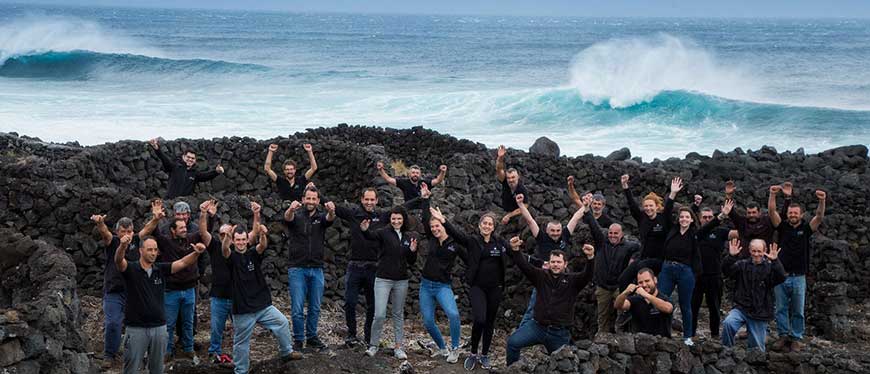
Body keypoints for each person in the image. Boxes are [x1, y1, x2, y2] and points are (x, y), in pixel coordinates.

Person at [218, 220, 303, 374]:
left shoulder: (252, 254)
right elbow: (224, 249)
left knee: (282, 322)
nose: (241, 243)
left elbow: (262, 246)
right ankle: (241, 370)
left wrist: (263, 234)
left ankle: (287, 352)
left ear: (247, 240)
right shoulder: (231, 258)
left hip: (262, 305)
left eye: (243, 239)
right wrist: (227, 237)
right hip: (243, 309)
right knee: (241, 342)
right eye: (237, 240)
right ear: (233, 241)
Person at [115, 232, 204, 374]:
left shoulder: (160, 269)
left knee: (157, 369)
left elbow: (182, 263)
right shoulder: (131, 269)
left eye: (155, 250)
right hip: (136, 329)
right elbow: (119, 261)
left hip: (159, 328)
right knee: (131, 369)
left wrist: (196, 253)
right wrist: (122, 246)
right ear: (140, 251)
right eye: (149, 249)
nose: (153, 253)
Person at [505, 237, 595, 367]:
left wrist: (591, 258)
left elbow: (587, 275)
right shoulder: (541, 276)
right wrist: (515, 250)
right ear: (549, 263)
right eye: (553, 262)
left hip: (558, 333)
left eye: (559, 262)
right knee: (513, 343)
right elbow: (524, 266)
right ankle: (511, 370)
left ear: (565, 264)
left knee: (565, 366)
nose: (555, 264)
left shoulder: (573, 281)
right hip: (537, 328)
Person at [437, 211, 509, 371]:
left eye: (490, 224)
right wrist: (444, 220)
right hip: (478, 287)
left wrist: (534, 259)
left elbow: (515, 253)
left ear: (493, 227)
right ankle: (473, 353)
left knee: (490, 322)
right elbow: (457, 234)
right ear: (479, 225)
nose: (487, 226)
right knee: (480, 319)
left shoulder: (499, 242)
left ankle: (484, 354)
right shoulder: (473, 241)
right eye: (484, 223)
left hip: (495, 288)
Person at [656, 194, 730, 346]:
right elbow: (667, 211)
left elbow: (710, 225)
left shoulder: (695, 234)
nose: (683, 219)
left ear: (691, 219)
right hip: (667, 269)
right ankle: (661, 332)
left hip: (686, 272)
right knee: (660, 300)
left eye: (687, 217)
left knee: (686, 305)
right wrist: (673, 194)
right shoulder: (672, 229)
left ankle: (688, 337)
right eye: (681, 216)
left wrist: (722, 215)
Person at [138, 199, 204, 359]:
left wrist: (206, 215)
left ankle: (188, 348)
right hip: (171, 290)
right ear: (173, 231)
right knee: (168, 324)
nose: (184, 229)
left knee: (188, 322)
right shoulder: (166, 243)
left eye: (185, 227)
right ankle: (167, 351)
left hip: (189, 289)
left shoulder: (192, 238)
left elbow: (204, 232)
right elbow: (155, 233)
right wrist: (156, 217)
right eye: (181, 228)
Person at [768, 187, 826, 352]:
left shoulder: (806, 229)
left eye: (796, 213)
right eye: (791, 213)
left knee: (798, 310)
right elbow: (772, 211)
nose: (792, 215)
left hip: (799, 276)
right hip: (781, 275)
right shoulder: (782, 227)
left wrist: (822, 200)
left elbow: (819, 216)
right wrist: (773, 194)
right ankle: (782, 335)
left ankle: (796, 338)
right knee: (780, 308)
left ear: (801, 215)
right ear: (788, 214)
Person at [516, 193, 587, 327]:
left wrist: (586, 206)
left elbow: (576, 217)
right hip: (544, 278)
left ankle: (559, 333)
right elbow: (530, 220)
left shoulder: (565, 235)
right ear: (547, 231)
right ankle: (523, 330)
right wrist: (520, 204)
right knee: (533, 305)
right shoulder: (541, 238)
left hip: (562, 279)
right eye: (552, 231)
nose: (555, 233)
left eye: (558, 230)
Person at [333, 187, 391, 347]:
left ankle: (368, 336)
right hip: (355, 266)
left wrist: (422, 199)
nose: (369, 202)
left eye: (372, 200)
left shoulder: (382, 217)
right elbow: (334, 207)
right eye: (367, 199)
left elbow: (402, 209)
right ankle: (351, 334)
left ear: (377, 200)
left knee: (373, 305)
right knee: (350, 302)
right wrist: (314, 190)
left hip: (374, 267)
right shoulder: (354, 215)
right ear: (361, 199)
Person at [418, 186, 468, 364]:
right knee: (428, 321)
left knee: (453, 315)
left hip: (442, 286)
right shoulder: (431, 238)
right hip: (425, 285)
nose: (434, 229)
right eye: (432, 227)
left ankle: (455, 349)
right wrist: (425, 199)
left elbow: (470, 258)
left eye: (437, 226)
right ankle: (441, 347)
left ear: (442, 224)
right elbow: (425, 218)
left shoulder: (455, 243)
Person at [360, 206, 418, 360]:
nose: (396, 221)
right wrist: (365, 230)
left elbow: (412, 261)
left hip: (401, 280)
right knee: (379, 315)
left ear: (403, 219)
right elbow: (371, 236)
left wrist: (412, 251)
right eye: (393, 218)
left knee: (398, 314)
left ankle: (399, 347)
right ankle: (373, 345)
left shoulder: (409, 236)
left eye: (399, 219)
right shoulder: (384, 233)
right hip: (383, 279)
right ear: (390, 219)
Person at [197, 199, 250, 365]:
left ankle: (240, 355)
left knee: (241, 330)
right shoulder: (214, 247)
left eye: (228, 235)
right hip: (219, 296)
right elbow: (203, 232)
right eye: (222, 234)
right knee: (216, 330)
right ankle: (214, 354)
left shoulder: (239, 249)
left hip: (237, 297)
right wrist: (203, 213)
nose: (224, 237)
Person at [283, 186, 336, 351]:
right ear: (303, 199)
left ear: (318, 201)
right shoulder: (296, 216)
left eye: (314, 199)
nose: (311, 201)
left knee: (315, 307)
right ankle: (298, 340)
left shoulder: (321, 219)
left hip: (317, 269)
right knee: (297, 307)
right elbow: (287, 218)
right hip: (297, 268)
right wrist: (290, 209)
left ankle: (312, 336)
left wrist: (332, 210)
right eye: (308, 198)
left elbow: (330, 218)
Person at [581, 208, 640, 335]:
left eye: (616, 233)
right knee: (602, 315)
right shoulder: (602, 242)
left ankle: (621, 336)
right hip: (602, 286)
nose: (613, 236)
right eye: (611, 233)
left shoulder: (630, 246)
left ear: (621, 234)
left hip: (619, 287)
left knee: (623, 313)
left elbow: (642, 249)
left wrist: (633, 260)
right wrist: (586, 210)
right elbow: (594, 226)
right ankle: (602, 337)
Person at [92, 214, 140, 369]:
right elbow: (105, 233)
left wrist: (156, 219)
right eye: (123, 232)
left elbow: (148, 229)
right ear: (117, 232)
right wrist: (100, 223)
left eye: (129, 231)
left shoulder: (138, 241)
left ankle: (137, 354)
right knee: (113, 322)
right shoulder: (112, 242)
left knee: (136, 324)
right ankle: (109, 355)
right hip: (114, 290)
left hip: (133, 290)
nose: (127, 235)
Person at [721, 239, 786, 352]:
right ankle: (727, 351)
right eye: (754, 251)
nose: (756, 254)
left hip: (760, 312)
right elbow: (726, 272)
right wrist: (731, 257)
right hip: (741, 308)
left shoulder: (770, 268)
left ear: (765, 251)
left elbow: (781, 277)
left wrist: (775, 261)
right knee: (728, 323)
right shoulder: (742, 265)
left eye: (759, 251)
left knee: (757, 350)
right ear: (750, 251)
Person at [616, 175, 677, 290]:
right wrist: (625, 186)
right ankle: (627, 304)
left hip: (660, 259)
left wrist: (673, 193)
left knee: (641, 267)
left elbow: (669, 207)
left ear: (657, 207)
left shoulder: (663, 218)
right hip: (643, 257)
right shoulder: (642, 218)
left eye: (651, 206)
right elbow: (632, 204)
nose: (648, 208)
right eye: (646, 206)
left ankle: (645, 295)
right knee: (623, 279)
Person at [690, 196, 732, 339]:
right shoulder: (695, 233)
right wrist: (695, 205)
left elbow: (739, 233)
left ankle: (714, 335)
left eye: (710, 217)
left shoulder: (720, 231)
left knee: (714, 307)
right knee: (693, 307)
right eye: (705, 217)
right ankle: (691, 335)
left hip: (715, 275)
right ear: (700, 219)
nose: (707, 219)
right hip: (696, 276)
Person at [726, 180, 791, 255]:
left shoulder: (767, 221)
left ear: (759, 213)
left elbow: (782, 217)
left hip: (764, 259)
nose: (751, 215)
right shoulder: (742, 222)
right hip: (746, 261)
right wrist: (729, 196)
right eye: (749, 213)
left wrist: (787, 198)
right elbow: (730, 211)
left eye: (754, 212)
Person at [148, 138, 224, 199]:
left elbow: (206, 176)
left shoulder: (195, 173)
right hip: (170, 201)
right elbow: (165, 159)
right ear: (183, 157)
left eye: (192, 158)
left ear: (195, 160)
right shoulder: (175, 167)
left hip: (185, 202)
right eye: (188, 157)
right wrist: (156, 148)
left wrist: (216, 172)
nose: (190, 159)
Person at [614, 268, 674, 338]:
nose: (644, 285)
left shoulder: (664, 298)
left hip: (661, 343)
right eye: (640, 282)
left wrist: (645, 295)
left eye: (647, 281)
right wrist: (625, 292)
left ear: (655, 280)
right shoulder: (635, 300)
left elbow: (668, 308)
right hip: (640, 343)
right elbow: (618, 305)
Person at [376, 161, 447, 210]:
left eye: (417, 173)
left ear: (420, 174)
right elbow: (388, 179)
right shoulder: (404, 182)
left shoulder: (424, 183)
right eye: (413, 172)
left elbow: (438, 180)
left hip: (423, 210)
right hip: (408, 209)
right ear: (409, 174)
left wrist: (443, 171)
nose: (415, 174)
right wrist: (381, 169)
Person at [495, 145, 531, 225]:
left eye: (513, 177)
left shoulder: (521, 189)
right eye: (509, 178)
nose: (511, 180)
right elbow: (499, 169)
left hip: (517, 213)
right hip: (504, 210)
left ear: (518, 177)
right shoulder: (505, 181)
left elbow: (525, 206)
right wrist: (500, 158)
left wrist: (509, 216)